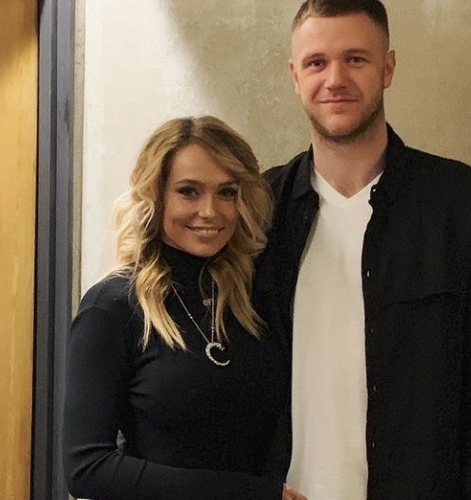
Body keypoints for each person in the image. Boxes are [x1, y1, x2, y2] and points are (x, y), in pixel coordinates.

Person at [255, 1, 471, 498]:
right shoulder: (255, 211)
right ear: (295, 76)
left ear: (387, 68)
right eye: (317, 62)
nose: (335, 79)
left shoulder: (466, 206)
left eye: (355, 59)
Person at [63, 116, 306, 500]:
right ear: (155, 196)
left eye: (226, 192)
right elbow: (87, 468)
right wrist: (247, 494)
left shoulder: (252, 301)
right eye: (189, 192)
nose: (210, 211)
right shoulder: (112, 307)